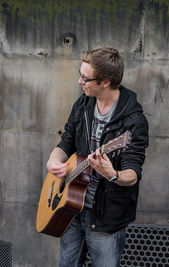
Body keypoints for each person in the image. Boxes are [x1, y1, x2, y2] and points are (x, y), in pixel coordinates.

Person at [46, 47, 149, 267]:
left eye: (85, 78)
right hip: (70, 207)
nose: (78, 81)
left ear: (106, 82)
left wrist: (112, 174)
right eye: (80, 74)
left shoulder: (134, 122)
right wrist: (54, 161)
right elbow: (66, 141)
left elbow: (132, 173)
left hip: (105, 216)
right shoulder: (83, 104)